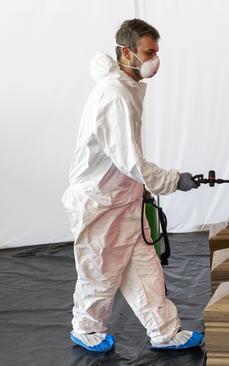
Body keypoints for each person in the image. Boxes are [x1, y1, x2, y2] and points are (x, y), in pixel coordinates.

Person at [62, 19, 203, 352]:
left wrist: (143, 188)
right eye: (148, 52)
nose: (155, 59)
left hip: (123, 198)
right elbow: (130, 161)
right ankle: (85, 327)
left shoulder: (128, 87)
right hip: (99, 202)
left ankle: (164, 330)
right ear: (127, 52)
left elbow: (126, 163)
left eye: (156, 52)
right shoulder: (114, 96)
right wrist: (173, 180)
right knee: (100, 270)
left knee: (144, 266)